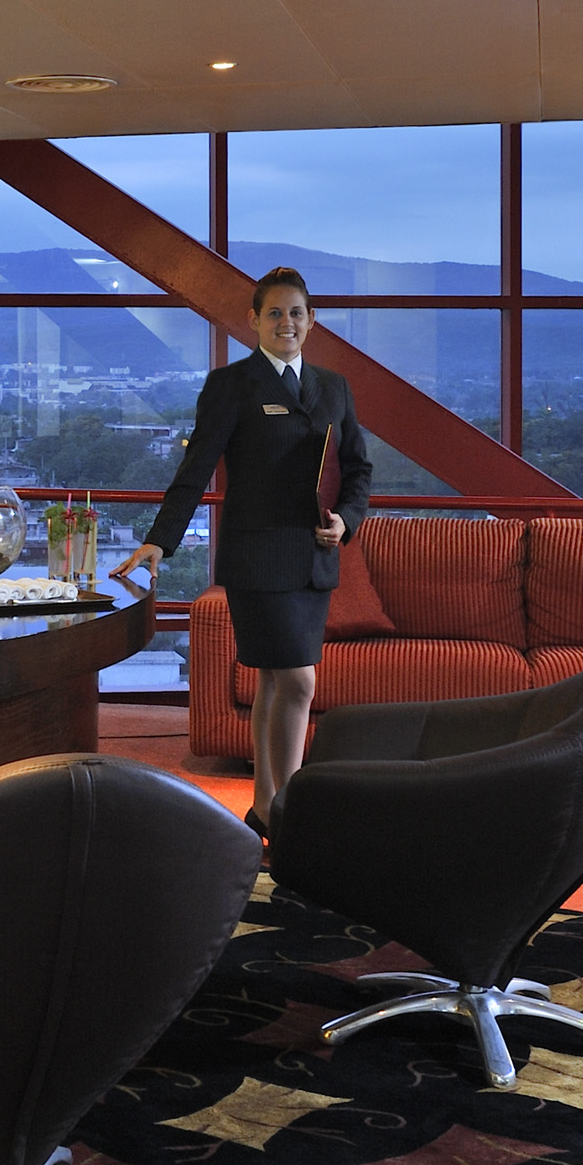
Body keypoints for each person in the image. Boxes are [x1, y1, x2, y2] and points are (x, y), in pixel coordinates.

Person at [116, 267, 372, 837]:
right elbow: (196, 469)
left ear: (312, 321)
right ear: (254, 321)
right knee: (299, 682)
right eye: (275, 313)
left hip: (313, 559)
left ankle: (264, 804)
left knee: (278, 683)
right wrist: (161, 539)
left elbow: (357, 470)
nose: (287, 323)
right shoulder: (232, 385)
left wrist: (347, 523)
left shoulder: (333, 387)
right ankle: (289, 812)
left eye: (297, 313)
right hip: (258, 561)